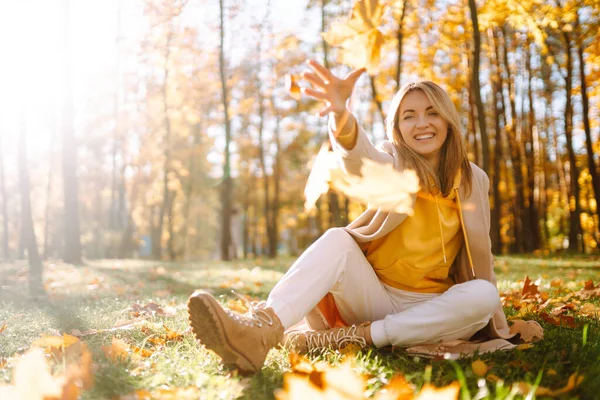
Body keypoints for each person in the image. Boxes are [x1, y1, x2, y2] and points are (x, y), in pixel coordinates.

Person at [187, 60, 535, 374]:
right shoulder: (393, 162)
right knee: (337, 239)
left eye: (432, 112)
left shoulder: (474, 178)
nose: (422, 123)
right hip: (374, 297)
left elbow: (481, 256)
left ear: (447, 120)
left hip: (436, 309)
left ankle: (350, 338)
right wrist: (340, 115)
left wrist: (497, 327)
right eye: (408, 115)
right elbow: (360, 159)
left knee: (483, 295)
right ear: (397, 127)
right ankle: (261, 330)